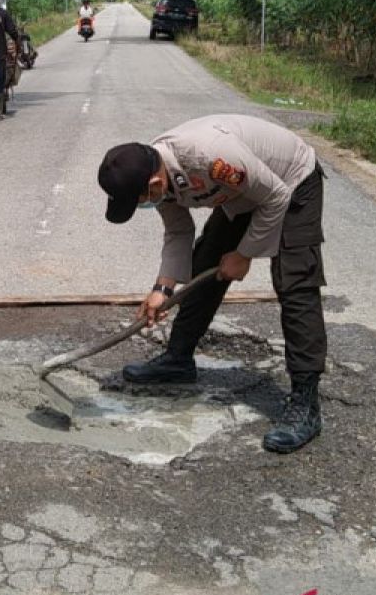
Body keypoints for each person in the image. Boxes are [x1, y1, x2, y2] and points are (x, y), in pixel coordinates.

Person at [97, 114, 328, 454]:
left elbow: (275, 196)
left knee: (294, 284)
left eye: (141, 198)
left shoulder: (210, 157)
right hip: (245, 195)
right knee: (206, 264)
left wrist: (245, 253)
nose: (144, 204)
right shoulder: (161, 182)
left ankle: (306, 404)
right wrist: (161, 290)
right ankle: (178, 359)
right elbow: (178, 231)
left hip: (291, 183)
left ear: (153, 180)